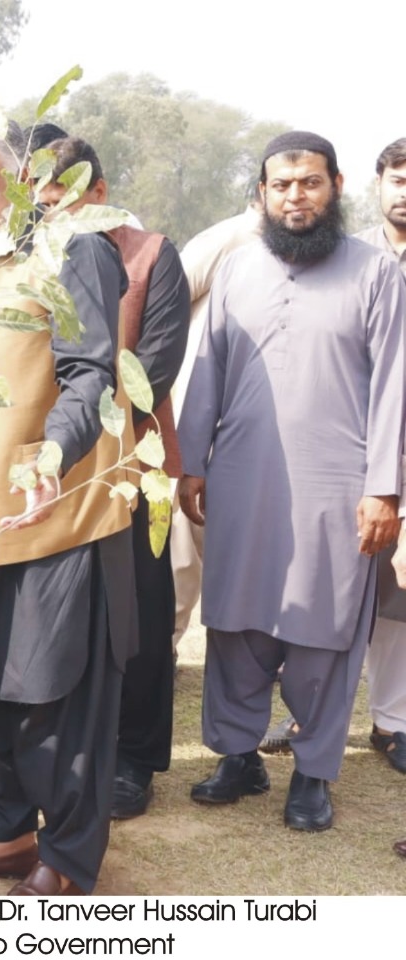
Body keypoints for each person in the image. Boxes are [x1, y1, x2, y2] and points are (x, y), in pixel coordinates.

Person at [0, 115, 137, 897]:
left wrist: (51, 458)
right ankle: (5, 836)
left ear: (18, 178)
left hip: (56, 508)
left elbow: (90, 375)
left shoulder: (74, 249)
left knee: (56, 693)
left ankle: (68, 859)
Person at [177, 131, 406, 833]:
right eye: (282, 185)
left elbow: (396, 386)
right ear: (262, 194)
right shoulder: (237, 270)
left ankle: (313, 771)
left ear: (334, 185)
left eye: (309, 182)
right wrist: (190, 464)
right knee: (237, 621)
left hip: (339, 487)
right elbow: (207, 369)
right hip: (241, 479)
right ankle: (238, 754)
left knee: (323, 628)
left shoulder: (375, 272)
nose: (295, 196)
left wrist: (385, 489)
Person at [37, 137, 191, 820]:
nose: (52, 206)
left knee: (141, 616)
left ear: (98, 192)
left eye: (66, 192)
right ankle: (65, 749)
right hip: (47, 472)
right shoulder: (23, 259)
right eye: (40, 194)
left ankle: (135, 759)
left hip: (131, 469)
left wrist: (80, 425)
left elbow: (152, 366)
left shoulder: (151, 255)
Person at [169, 186, 262, 648]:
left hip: (252, 426)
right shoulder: (236, 235)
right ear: (261, 193)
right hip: (196, 408)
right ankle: (164, 647)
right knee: (184, 547)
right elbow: (170, 295)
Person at [355, 137, 406, 778]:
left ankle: (392, 720)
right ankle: (312, 713)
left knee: (398, 596)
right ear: (377, 183)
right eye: (398, 176)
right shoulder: (350, 256)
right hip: (347, 442)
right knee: (334, 587)